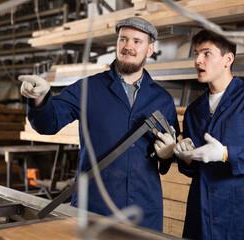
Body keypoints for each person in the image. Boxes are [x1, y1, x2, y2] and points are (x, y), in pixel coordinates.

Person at [18, 17, 179, 231]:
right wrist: (39, 98)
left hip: (144, 211)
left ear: (150, 49)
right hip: (94, 209)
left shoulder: (163, 99)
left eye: (137, 41)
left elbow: (167, 159)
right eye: (123, 39)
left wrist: (168, 154)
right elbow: (48, 123)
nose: (128, 46)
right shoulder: (88, 88)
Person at [174, 29, 244, 240]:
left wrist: (226, 154)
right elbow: (193, 171)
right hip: (202, 219)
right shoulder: (193, 110)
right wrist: (187, 157)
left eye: (206, 53)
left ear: (228, 59)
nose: (198, 60)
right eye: (196, 54)